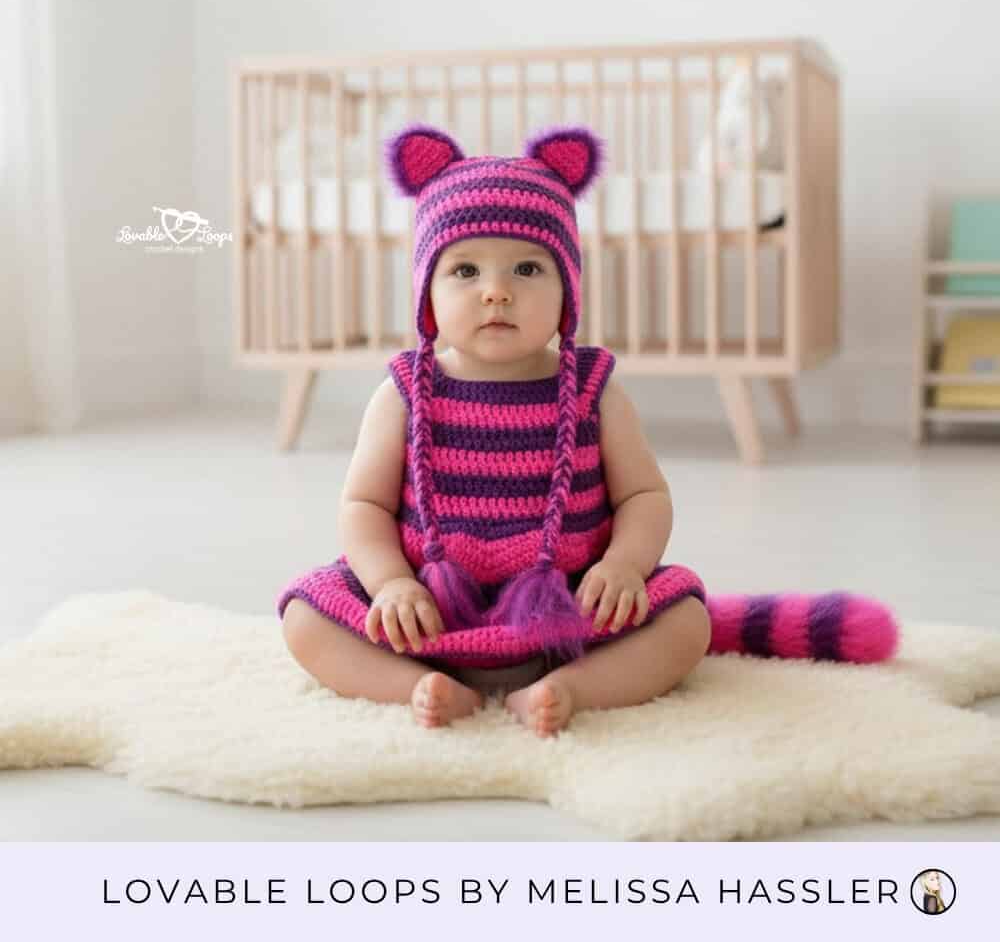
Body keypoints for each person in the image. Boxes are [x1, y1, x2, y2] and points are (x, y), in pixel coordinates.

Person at [280, 124, 897, 737]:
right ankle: (417, 686)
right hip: (430, 617)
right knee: (305, 617)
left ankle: (569, 689)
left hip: (569, 615)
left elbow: (643, 496)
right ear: (427, 293)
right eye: (465, 271)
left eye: (526, 269)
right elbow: (363, 504)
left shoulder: (592, 390)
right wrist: (389, 584)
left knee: (686, 621)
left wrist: (626, 567)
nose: (496, 293)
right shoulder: (404, 393)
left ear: (567, 289)